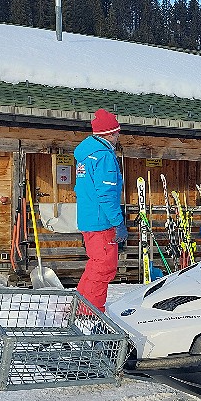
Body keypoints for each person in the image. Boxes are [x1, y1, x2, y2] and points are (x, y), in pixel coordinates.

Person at [74, 109, 126, 312]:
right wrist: (117, 222)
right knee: (104, 267)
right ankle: (92, 311)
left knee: (95, 264)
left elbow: (80, 189)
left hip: (88, 219)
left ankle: (81, 305)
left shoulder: (86, 155)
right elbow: (107, 194)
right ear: (111, 133)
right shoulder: (103, 156)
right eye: (117, 132)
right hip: (101, 222)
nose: (118, 136)